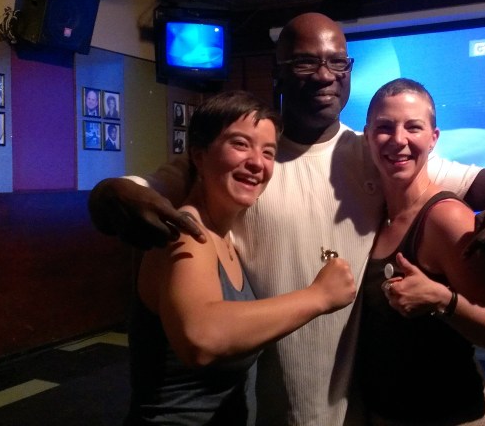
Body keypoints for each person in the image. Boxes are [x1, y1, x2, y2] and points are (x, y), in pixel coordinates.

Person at [88, 13, 485, 425]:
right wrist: (109, 191)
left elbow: (479, 180)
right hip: (262, 405)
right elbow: (142, 190)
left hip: (357, 405)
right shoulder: (245, 161)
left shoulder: (373, 151)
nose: (325, 75)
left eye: (337, 62)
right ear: (278, 69)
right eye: (305, 62)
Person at [125, 90, 356, 425]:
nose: (257, 162)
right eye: (240, 144)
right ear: (199, 155)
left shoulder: (224, 236)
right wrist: (319, 296)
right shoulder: (188, 231)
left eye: (268, 152)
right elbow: (200, 337)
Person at [357, 78, 485, 426]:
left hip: (452, 415)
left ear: (433, 138)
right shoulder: (376, 215)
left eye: (413, 127)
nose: (399, 139)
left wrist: (442, 300)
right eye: (385, 127)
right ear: (368, 136)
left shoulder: (447, 217)